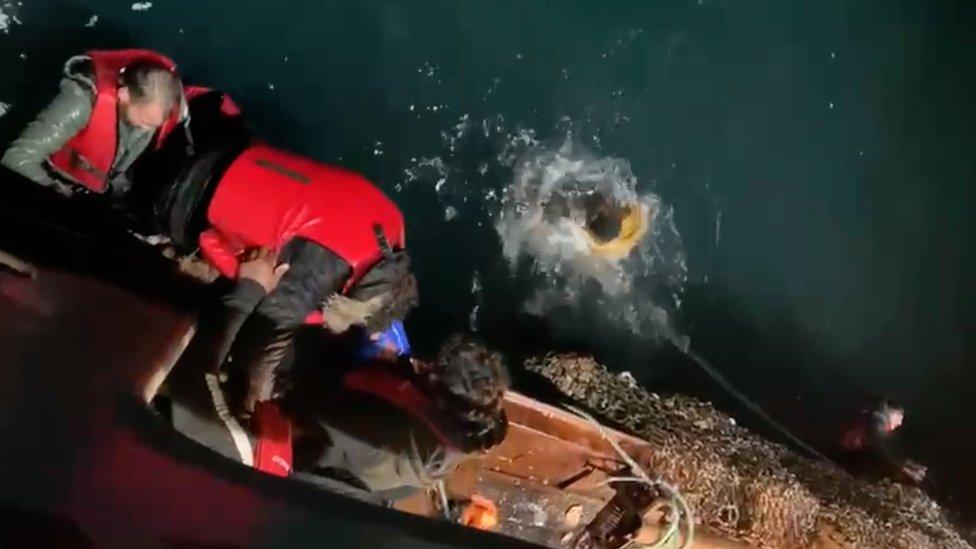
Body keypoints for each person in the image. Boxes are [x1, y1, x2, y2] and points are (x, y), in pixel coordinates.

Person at [165, 249, 507, 499]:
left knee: (284, 307)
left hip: (292, 403)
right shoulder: (459, 434)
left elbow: (195, 377)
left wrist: (251, 289)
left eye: (430, 374)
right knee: (382, 297)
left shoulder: (380, 430)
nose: (425, 368)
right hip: (322, 421)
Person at [2, 49, 188, 198]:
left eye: (153, 126)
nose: (147, 130)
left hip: (109, 189)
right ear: (124, 95)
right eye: (142, 122)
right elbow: (17, 157)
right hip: (60, 182)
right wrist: (54, 192)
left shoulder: (162, 111)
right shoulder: (82, 101)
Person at [837, 399, 927, 484]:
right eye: (900, 418)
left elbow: (885, 450)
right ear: (893, 413)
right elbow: (880, 451)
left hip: (849, 455)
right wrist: (906, 471)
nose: (899, 423)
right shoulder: (877, 421)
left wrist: (908, 465)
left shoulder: (874, 419)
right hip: (845, 456)